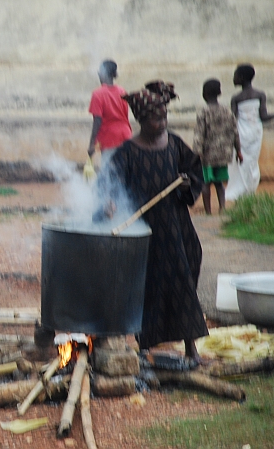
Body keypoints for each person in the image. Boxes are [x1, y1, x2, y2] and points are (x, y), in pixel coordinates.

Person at [100, 80, 208, 364]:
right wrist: (109, 203)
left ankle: (190, 347)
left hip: (176, 228)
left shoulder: (173, 144)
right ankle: (144, 346)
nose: (161, 123)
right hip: (145, 232)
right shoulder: (127, 152)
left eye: (164, 117)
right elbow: (108, 184)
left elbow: (194, 171)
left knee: (184, 280)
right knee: (148, 287)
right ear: (140, 120)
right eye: (154, 119)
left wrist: (187, 184)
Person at [226, 64, 274, 201]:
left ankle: (238, 192)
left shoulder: (236, 98)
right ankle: (249, 191)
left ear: (241, 78)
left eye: (235, 75)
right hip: (256, 133)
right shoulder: (260, 95)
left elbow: (232, 121)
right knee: (251, 162)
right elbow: (264, 117)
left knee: (239, 163)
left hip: (241, 134)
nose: (233, 78)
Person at [193, 79, 242, 215]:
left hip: (207, 155)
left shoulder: (204, 112)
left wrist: (196, 153)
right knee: (219, 183)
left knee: (205, 183)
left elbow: (199, 135)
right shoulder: (227, 111)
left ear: (204, 94)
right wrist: (239, 151)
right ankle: (222, 208)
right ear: (219, 93)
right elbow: (235, 132)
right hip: (223, 154)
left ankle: (208, 211)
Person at [87, 60, 132, 160]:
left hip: (110, 138)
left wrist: (91, 144)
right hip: (126, 135)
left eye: (100, 71)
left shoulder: (97, 94)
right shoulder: (122, 91)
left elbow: (97, 121)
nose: (98, 74)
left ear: (103, 74)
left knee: (111, 173)